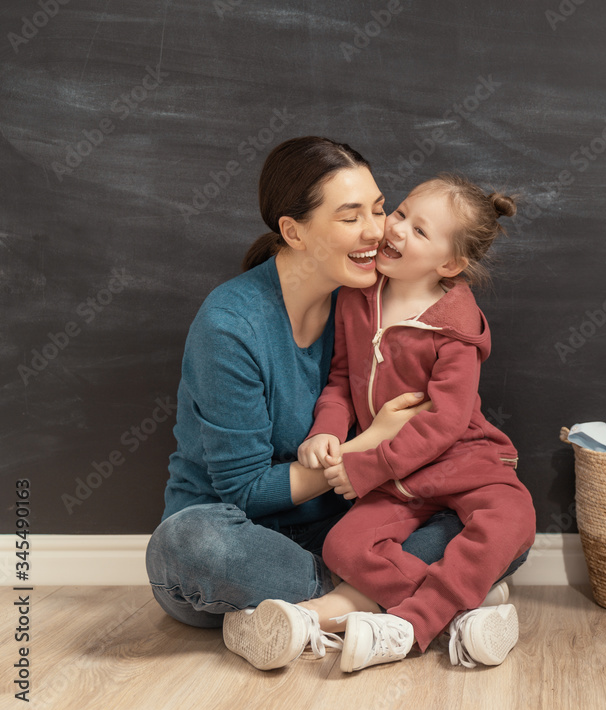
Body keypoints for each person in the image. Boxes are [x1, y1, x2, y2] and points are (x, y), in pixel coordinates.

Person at [144, 138, 526, 671]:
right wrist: (369, 443)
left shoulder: (366, 302)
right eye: (352, 218)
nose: (379, 231)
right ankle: (432, 600)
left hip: (351, 519)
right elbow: (246, 492)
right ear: (293, 231)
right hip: (246, 535)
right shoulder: (231, 326)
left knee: (500, 517)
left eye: (378, 207)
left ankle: (317, 614)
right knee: (188, 543)